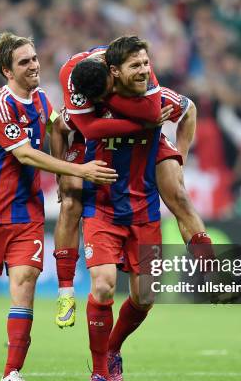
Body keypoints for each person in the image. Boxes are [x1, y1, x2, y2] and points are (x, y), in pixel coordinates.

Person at [0, 32, 117, 381]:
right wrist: (77, 171)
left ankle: (11, 373)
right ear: (7, 70)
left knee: (24, 285)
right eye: (24, 61)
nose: (34, 65)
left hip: (27, 212)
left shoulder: (40, 99)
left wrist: (92, 120)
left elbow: (58, 124)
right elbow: (23, 154)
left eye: (35, 58)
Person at [51, 39, 211, 330]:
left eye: (143, 65)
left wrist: (181, 160)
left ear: (114, 78)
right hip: (95, 152)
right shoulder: (80, 90)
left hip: (146, 149)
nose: (142, 70)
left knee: (177, 193)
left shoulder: (147, 90)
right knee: (71, 200)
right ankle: (65, 291)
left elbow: (189, 111)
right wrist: (61, 172)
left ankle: (211, 269)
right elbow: (60, 127)